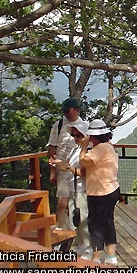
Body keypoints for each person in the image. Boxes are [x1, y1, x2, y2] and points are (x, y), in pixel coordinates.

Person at [79, 119, 120, 264]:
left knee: (96, 226)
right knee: (108, 222)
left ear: (94, 137)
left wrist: (83, 147)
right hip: (112, 189)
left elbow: (84, 161)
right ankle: (111, 257)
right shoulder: (109, 146)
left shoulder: (99, 149)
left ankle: (95, 260)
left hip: (99, 193)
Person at [51, 121, 91, 256]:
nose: (75, 138)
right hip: (72, 188)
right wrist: (56, 164)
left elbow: (84, 173)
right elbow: (66, 165)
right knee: (76, 219)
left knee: (83, 219)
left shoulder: (88, 151)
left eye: (78, 135)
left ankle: (88, 248)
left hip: (82, 188)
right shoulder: (76, 149)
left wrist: (67, 167)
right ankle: (81, 244)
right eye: (74, 135)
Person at [47, 97, 84, 229]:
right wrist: (53, 171)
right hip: (62, 167)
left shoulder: (84, 126)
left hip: (78, 167)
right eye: (64, 111)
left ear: (77, 110)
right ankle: (59, 229)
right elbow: (51, 147)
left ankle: (77, 231)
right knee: (62, 201)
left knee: (77, 201)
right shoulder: (58, 125)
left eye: (68, 111)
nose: (65, 114)